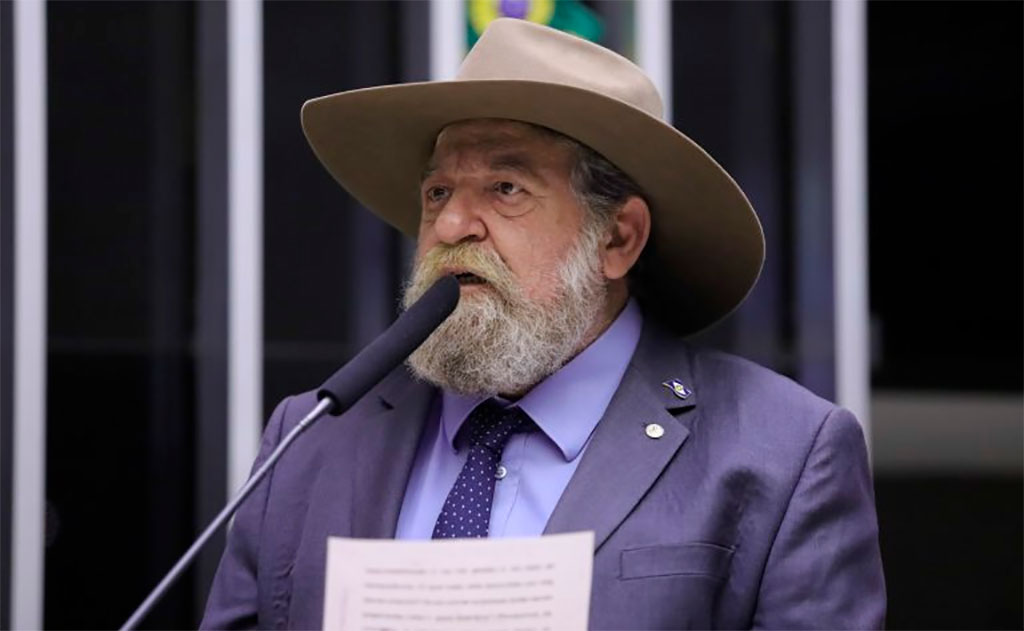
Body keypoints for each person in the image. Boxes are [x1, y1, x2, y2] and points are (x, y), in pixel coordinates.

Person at [201, 18, 885, 630]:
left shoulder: (782, 455)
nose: (449, 225)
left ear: (618, 239)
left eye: (505, 188)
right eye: (438, 191)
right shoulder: (311, 439)